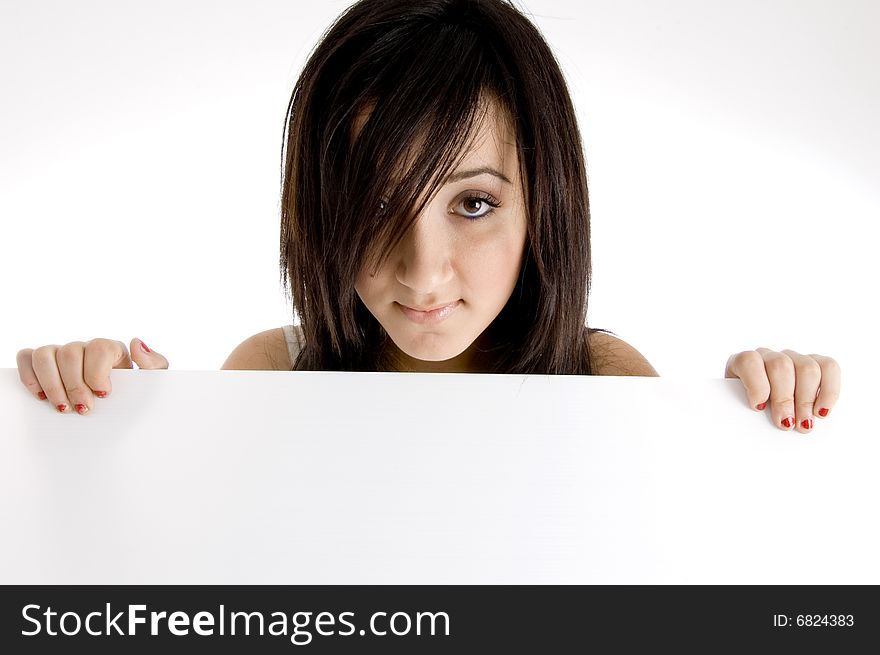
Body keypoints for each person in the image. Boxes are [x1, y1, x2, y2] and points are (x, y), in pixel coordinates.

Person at [14, 0, 839, 433]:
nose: (422, 268)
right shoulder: (272, 371)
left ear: (543, 202)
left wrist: (764, 419)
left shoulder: (602, 377)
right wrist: (121, 434)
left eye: (473, 203)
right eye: (375, 202)